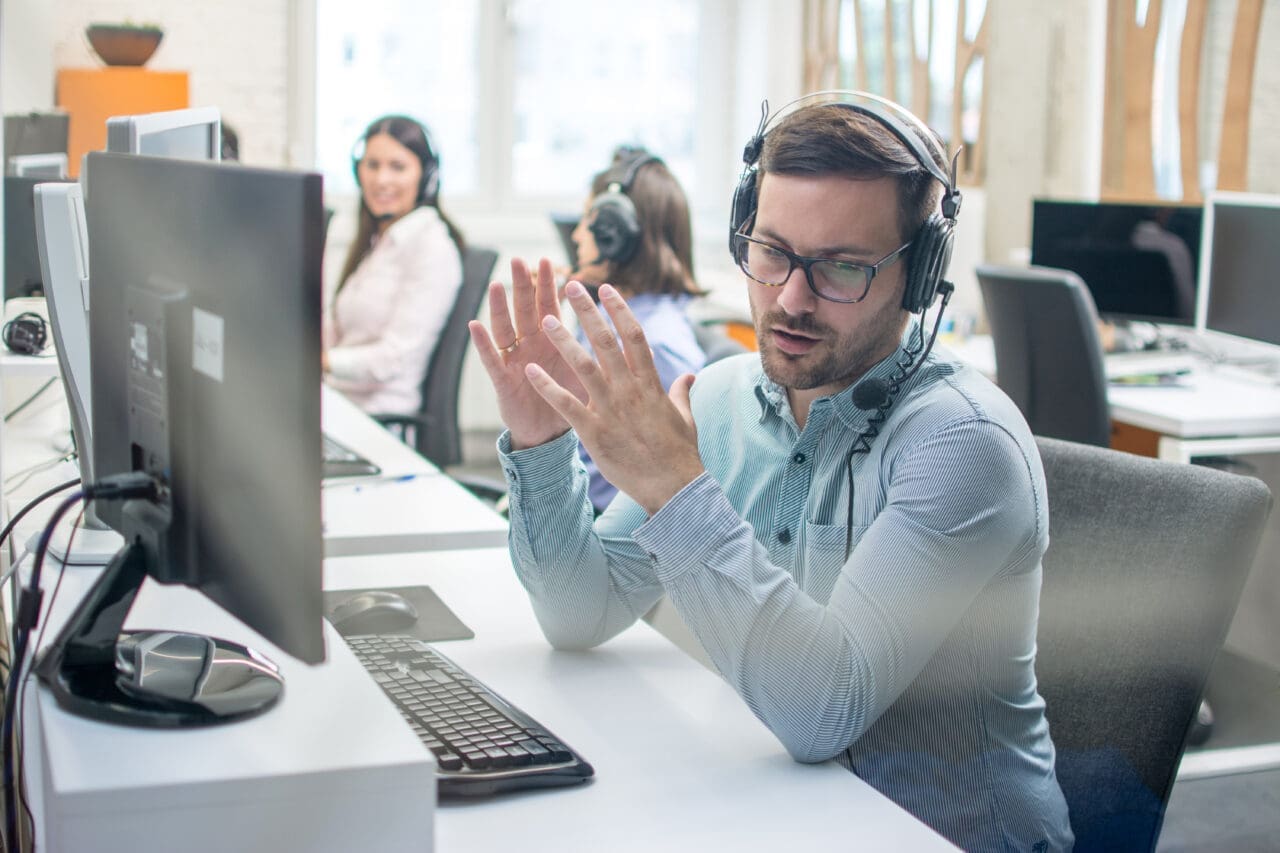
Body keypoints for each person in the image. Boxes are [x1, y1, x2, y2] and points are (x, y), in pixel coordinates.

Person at [469, 92, 1072, 851]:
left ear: (918, 278)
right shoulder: (723, 398)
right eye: (772, 251)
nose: (790, 299)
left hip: (943, 831)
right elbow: (577, 612)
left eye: (842, 268)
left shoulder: (963, 444)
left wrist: (673, 489)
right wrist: (540, 440)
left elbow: (824, 709)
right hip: (791, 814)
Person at [565, 147, 706, 512]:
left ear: (617, 233)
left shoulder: (655, 345)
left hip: (608, 530)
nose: (578, 236)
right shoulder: (612, 317)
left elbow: (670, 495)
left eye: (587, 222)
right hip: (578, 506)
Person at [323, 115, 465, 415]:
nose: (381, 179)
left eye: (397, 167)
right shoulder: (377, 242)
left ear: (425, 177)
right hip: (339, 404)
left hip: (379, 417)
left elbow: (394, 358)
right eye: (372, 165)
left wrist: (323, 361)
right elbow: (340, 330)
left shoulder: (433, 248)